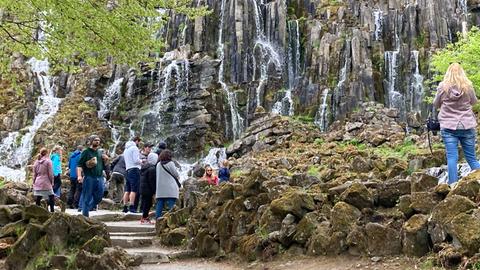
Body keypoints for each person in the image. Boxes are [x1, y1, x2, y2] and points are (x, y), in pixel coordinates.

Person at [433, 62, 480, 187]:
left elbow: (436, 104)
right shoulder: (468, 86)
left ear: (448, 73)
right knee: (472, 159)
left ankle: (452, 185)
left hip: (448, 126)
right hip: (467, 125)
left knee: (452, 158)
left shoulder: (443, 87)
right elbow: (474, 102)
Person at [77, 135, 107, 217]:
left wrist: (106, 160)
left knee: (99, 197)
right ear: (91, 141)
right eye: (95, 140)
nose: (97, 141)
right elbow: (79, 165)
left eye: (98, 140)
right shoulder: (86, 152)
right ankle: (85, 216)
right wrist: (79, 176)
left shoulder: (100, 152)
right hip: (89, 177)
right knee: (87, 197)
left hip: (100, 177)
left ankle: (87, 207)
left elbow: (104, 165)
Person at [156, 150, 180, 219]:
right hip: (170, 187)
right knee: (171, 204)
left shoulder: (158, 164)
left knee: (160, 203)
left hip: (160, 188)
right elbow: (175, 174)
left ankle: (158, 219)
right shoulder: (170, 163)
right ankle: (172, 219)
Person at [123, 136, 142, 213]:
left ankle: (125, 207)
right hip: (134, 169)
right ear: (136, 141)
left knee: (127, 189)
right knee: (134, 189)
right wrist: (142, 161)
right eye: (139, 142)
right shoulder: (134, 148)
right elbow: (136, 160)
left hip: (127, 169)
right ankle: (132, 207)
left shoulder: (126, 149)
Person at [33, 148, 55, 212]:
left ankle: (37, 211)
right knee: (51, 196)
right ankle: (52, 211)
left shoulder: (36, 162)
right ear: (47, 153)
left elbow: (34, 174)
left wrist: (34, 182)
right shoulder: (48, 161)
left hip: (38, 181)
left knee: (38, 197)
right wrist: (52, 182)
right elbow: (50, 174)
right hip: (46, 181)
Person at [140, 153, 158, 224]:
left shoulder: (144, 167)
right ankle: (145, 218)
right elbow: (152, 181)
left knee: (145, 203)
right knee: (148, 204)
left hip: (143, 188)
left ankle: (144, 217)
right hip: (148, 189)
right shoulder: (152, 168)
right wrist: (154, 191)